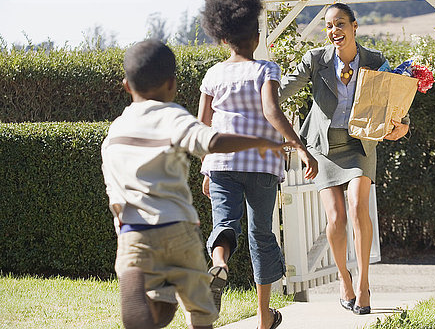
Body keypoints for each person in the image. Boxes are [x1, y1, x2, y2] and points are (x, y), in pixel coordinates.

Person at [101, 39, 293, 329]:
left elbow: (113, 191)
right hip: (178, 230)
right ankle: (182, 303)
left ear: (127, 85)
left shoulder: (114, 134)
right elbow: (211, 140)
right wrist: (262, 142)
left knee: (141, 311)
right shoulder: (173, 117)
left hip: (134, 233)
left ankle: (159, 293)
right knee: (200, 312)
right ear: (172, 83)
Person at [198, 0, 318, 329]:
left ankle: (219, 263)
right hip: (262, 164)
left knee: (224, 223)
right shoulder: (266, 69)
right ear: (257, 35)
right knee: (261, 233)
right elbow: (271, 111)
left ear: (223, 39)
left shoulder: (212, 75)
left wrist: (207, 169)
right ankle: (264, 315)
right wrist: (300, 147)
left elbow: (202, 125)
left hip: (220, 163)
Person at [279, 3, 409, 315]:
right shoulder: (315, 60)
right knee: (336, 218)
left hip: (359, 146)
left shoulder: (375, 61)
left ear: (354, 27)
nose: (334, 31)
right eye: (329, 26)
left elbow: (395, 100)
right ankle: (344, 278)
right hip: (323, 147)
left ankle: (363, 284)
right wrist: (255, 94)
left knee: (356, 206)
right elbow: (283, 90)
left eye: (340, 24)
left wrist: (403, 125)